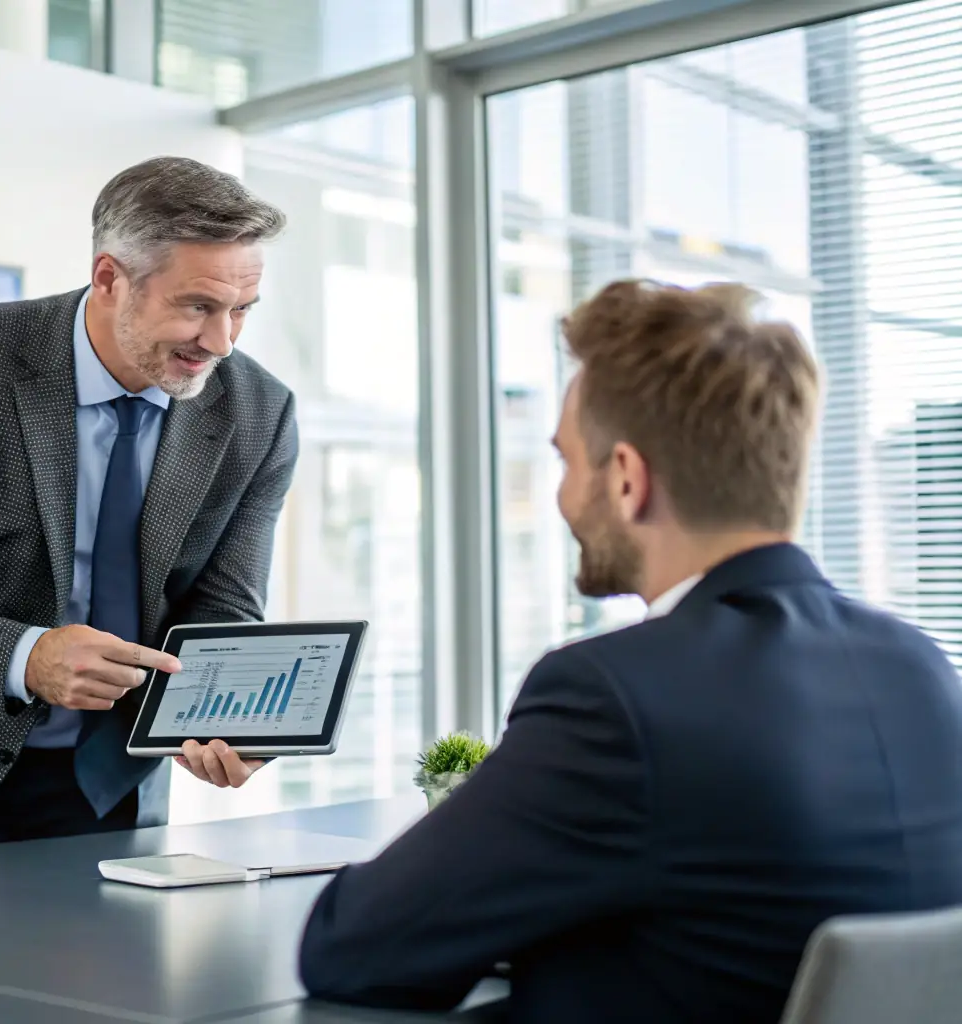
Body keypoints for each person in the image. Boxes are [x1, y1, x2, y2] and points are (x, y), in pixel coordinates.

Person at [298, 280, 962, 1022]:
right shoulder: (920, 666)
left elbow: (353, 949)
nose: (560, 495)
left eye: (564, 462)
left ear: (624, 478)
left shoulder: (616, 697)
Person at [0, 156, 297, 856]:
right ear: (110, 278)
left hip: (118, 787)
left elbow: (222, 608)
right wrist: (27, 656)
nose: (220, 342)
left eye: (240, 311)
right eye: (197, 306)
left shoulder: (257, 412)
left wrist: (219, 714)